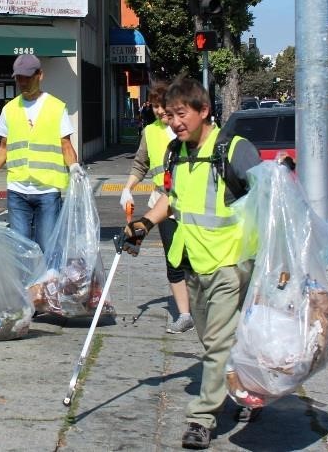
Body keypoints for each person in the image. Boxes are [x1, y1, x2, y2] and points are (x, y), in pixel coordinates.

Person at [121, 76, 262, 449]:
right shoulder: (175, 152)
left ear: (204, 110)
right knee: (214, 340)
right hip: (194, 263)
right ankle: (248, 390)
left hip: (231, 264)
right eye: (170, 116)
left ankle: (201, 419)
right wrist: (144, 224)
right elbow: (171, 199)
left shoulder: (234, 150)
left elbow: (266, 201)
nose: (175, 122)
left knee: (216, 343)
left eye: (181, 114)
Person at [0, 54, 84, 253]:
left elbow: (65, 145)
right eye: (19, 78)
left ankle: (46, 274)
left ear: (40, 75)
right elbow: (3, 148)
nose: (23, 82)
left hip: (47, 191)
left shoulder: (56, 107)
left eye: (27, 77)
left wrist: (73, 167)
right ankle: (26, 276)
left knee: (47, 247)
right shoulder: (9, 109)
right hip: (17, 190)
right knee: (20, 248)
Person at [119, 80, 194, 334]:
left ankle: (203, 305)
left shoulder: (184, 129)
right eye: (155, 107)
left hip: (190, 203)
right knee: (173, 258)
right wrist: (127, 188)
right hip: (162, 201)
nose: (159, 111)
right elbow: (140, 164)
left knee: (195, 258)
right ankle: (185, 315)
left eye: (163, 106)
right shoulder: (150, 132)